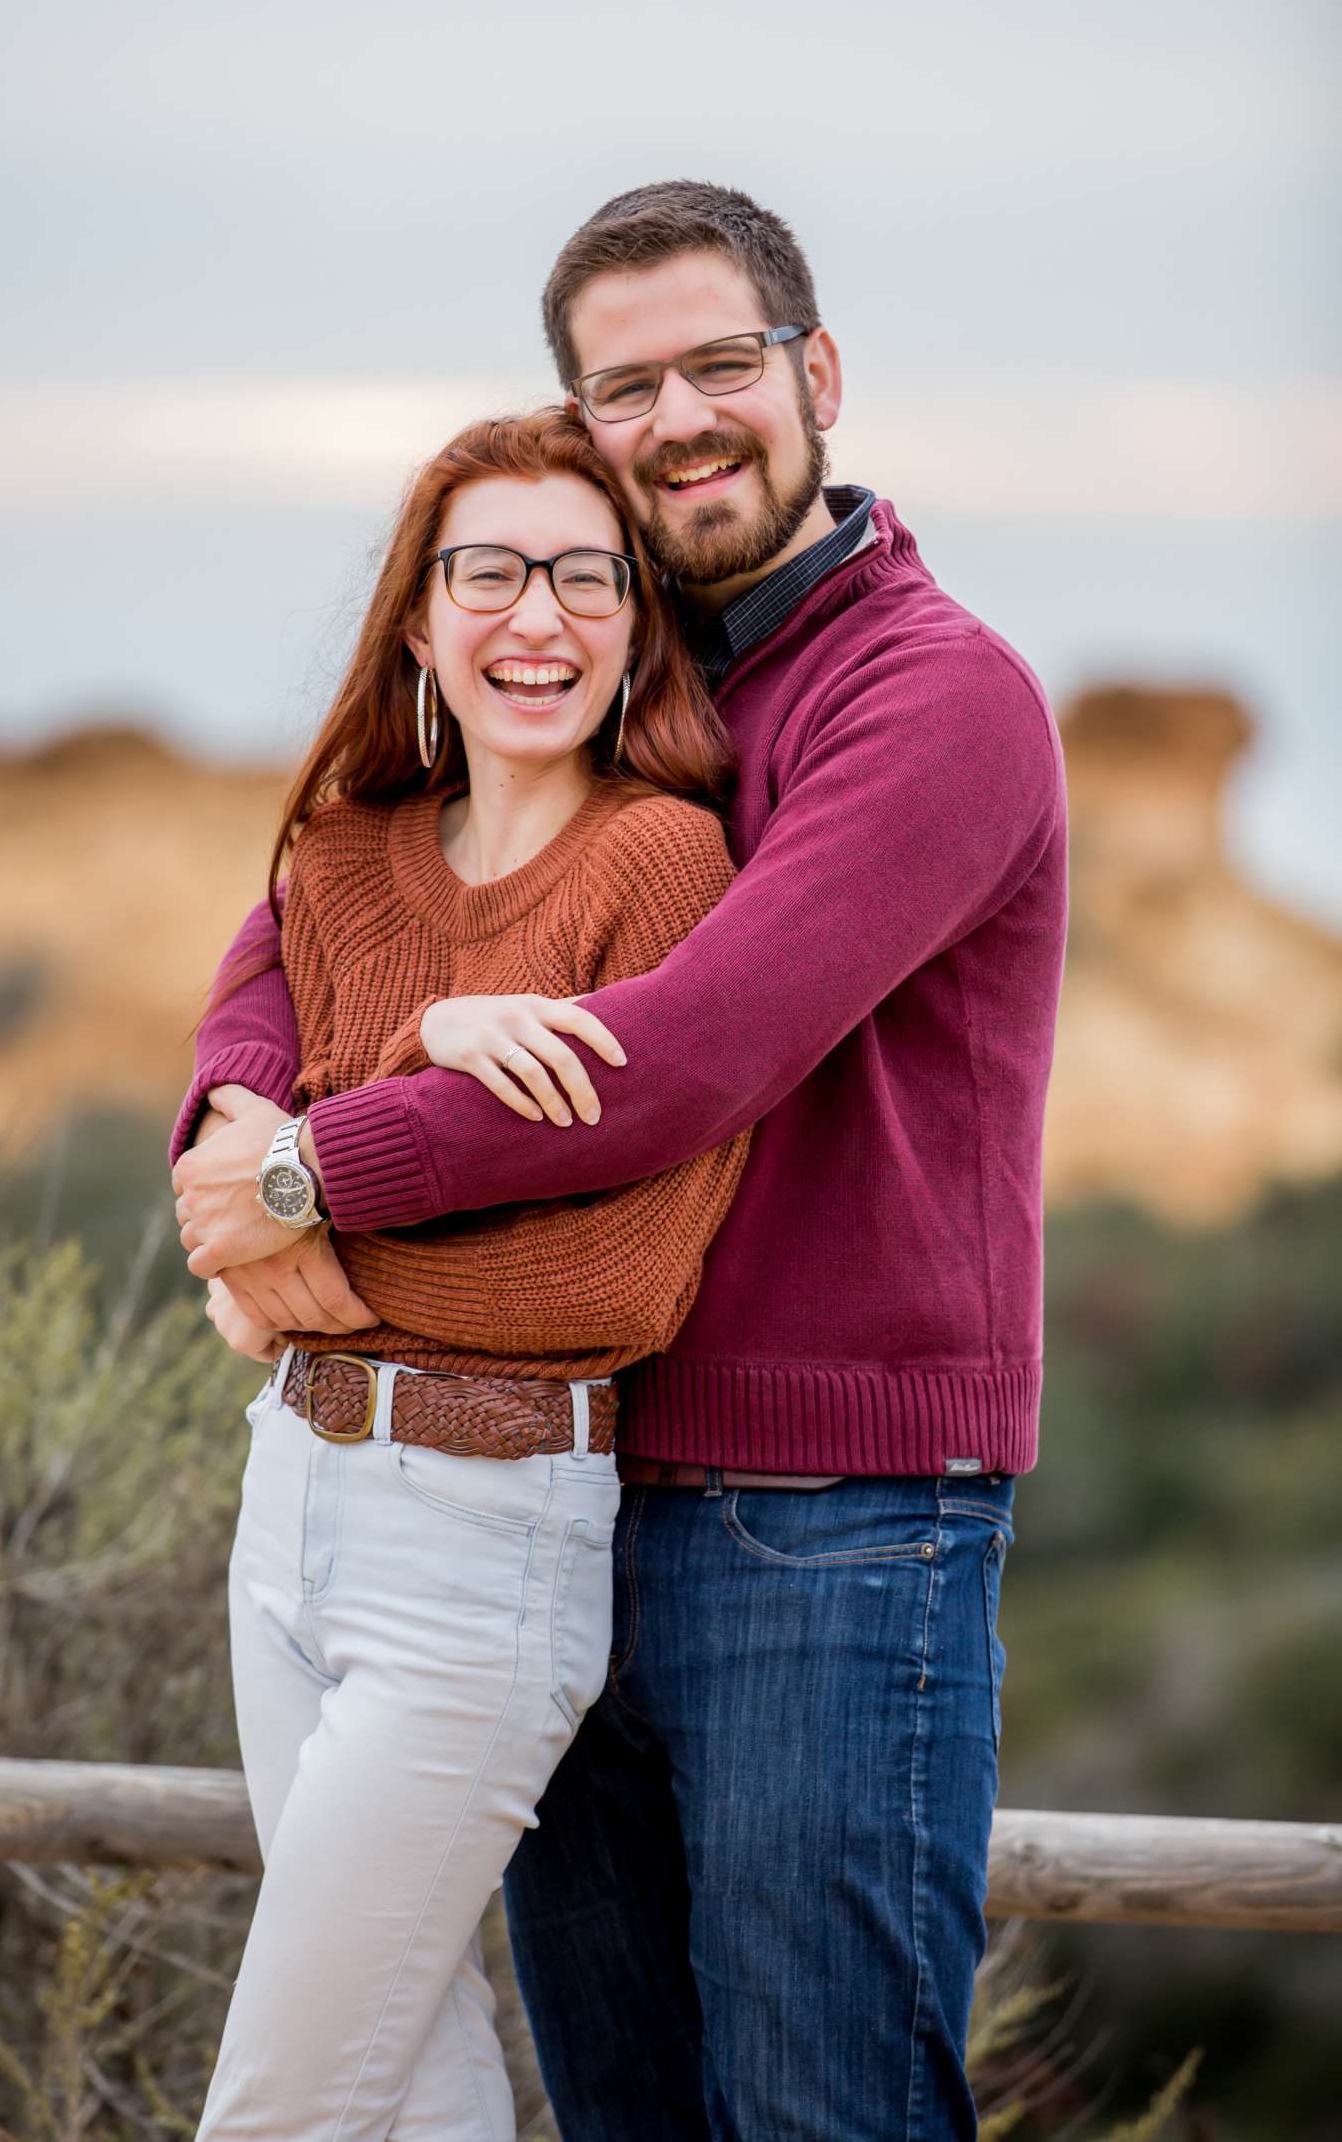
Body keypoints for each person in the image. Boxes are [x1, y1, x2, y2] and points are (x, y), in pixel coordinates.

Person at [172, 181, 1068, 2142]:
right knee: (621, 2110)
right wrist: (225, 1128)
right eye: (621, 387)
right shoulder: (614, 658)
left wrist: (313, 1180)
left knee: (818, 2109)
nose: (677, 418)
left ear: (812, 374)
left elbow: (675, 1064)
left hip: (829, 1519)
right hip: (563, 1487)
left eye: (717, 364)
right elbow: (314, 904)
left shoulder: (927, 697)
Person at [184, 407, 750, 2142]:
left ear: (635, 622)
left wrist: (298, 1231)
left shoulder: (663, 864)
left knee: (280, 2107)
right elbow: (229, 1143)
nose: (540, 618)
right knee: (405, 2075)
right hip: (285, 1512)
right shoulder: (346, 855)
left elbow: (614, 1275)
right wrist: (414, 1054)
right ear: (420, 621)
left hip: (485, 1552)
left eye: (588, 577)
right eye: (490, 572)